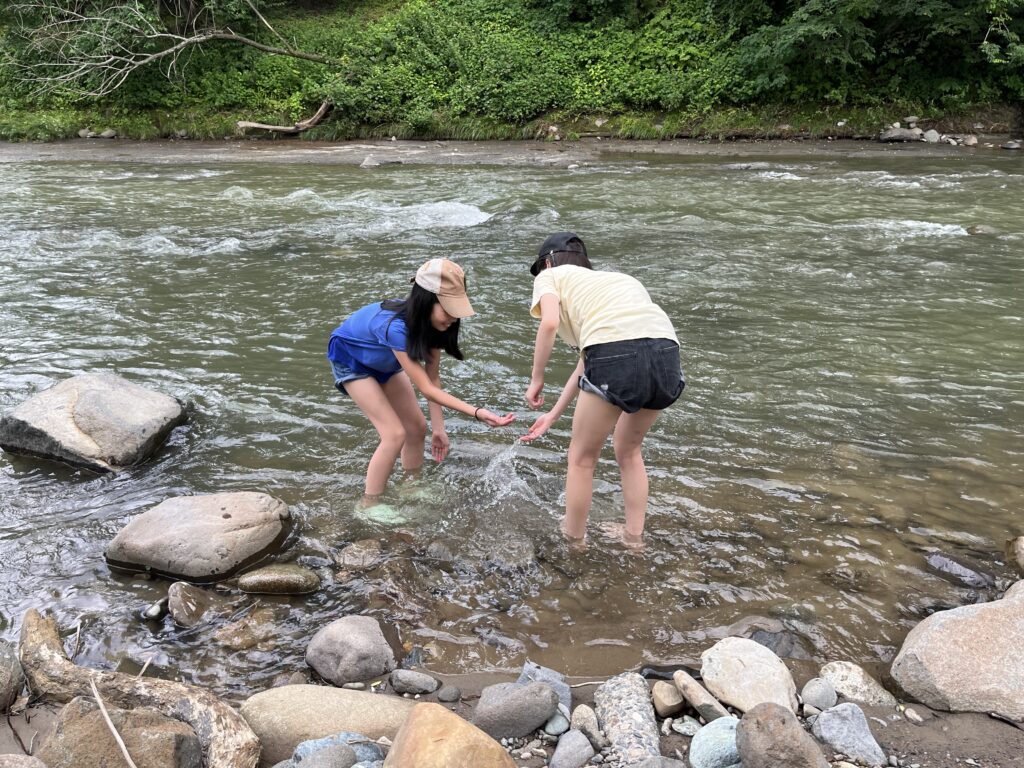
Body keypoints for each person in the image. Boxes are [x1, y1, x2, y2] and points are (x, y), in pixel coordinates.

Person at [521, 232, 684, 546]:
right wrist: (553, 415)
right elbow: (590, 361)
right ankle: (633, 538)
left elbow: (550, 323)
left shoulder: (549, 276)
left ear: (547, 261)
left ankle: (574, 539)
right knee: (629, 449)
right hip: (666, 353)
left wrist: (537, 378)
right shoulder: (617, 282)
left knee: (582, 459)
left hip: (615, 352)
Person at [328, 258, 515, 501]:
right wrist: (478, 412)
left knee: (416, 428)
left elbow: (433, 379)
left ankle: (411, 488)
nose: (453, 318)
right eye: (448, 309)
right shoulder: (393, 327)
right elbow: (426, 389)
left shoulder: (435, 328)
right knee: (394, 433)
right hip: (352, 362)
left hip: (385, 362)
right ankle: (369, 504)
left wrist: (439, 429)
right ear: (426, 301)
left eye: (456, 311)